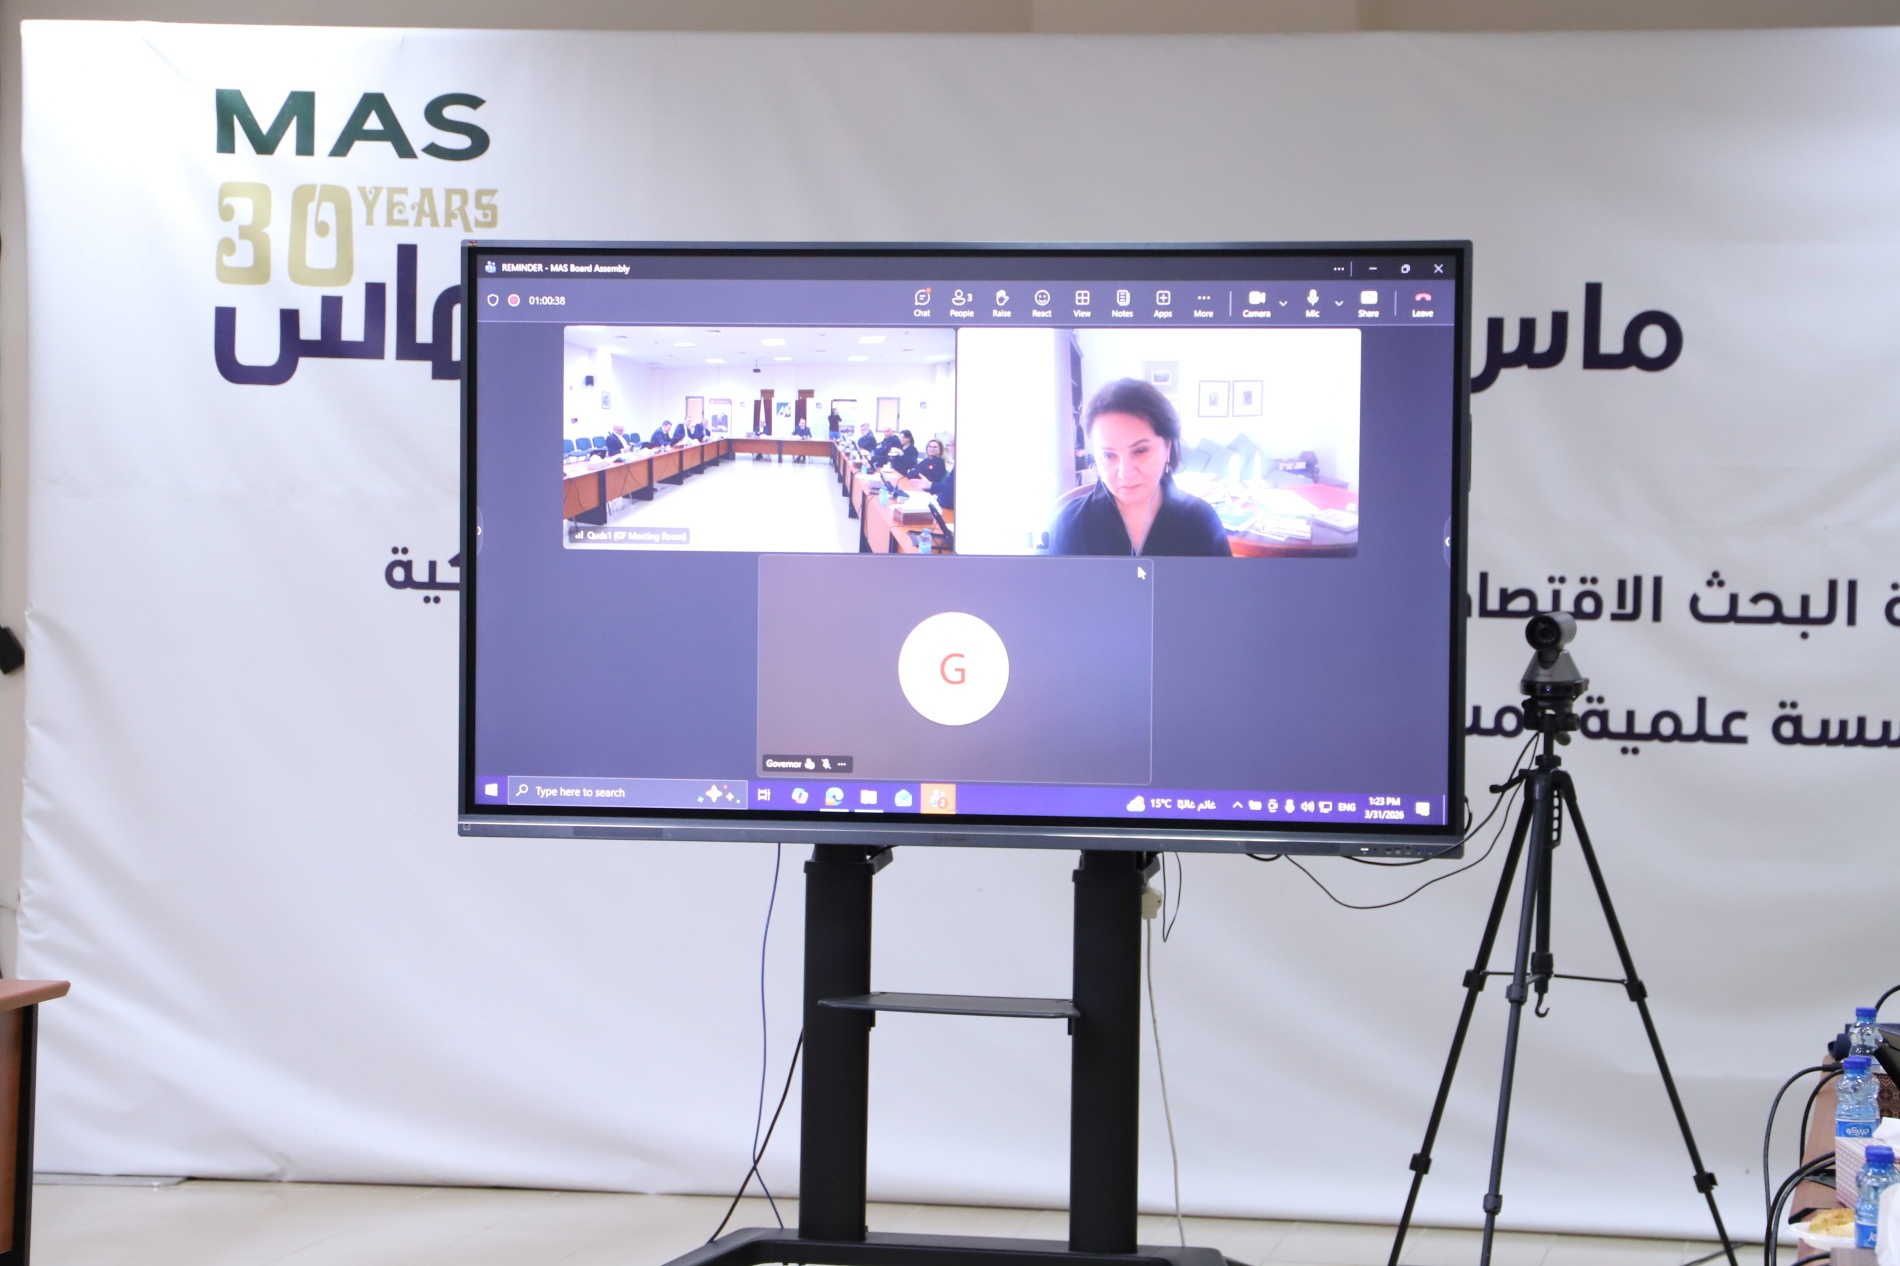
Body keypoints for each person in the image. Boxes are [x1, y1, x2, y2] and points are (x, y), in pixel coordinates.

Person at [1046, 378, 1231, 557]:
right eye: (1108, 455)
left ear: (1167, 447)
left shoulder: (1201, 523)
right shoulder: (1066, 526)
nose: (1125, 474)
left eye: (1140, 451)